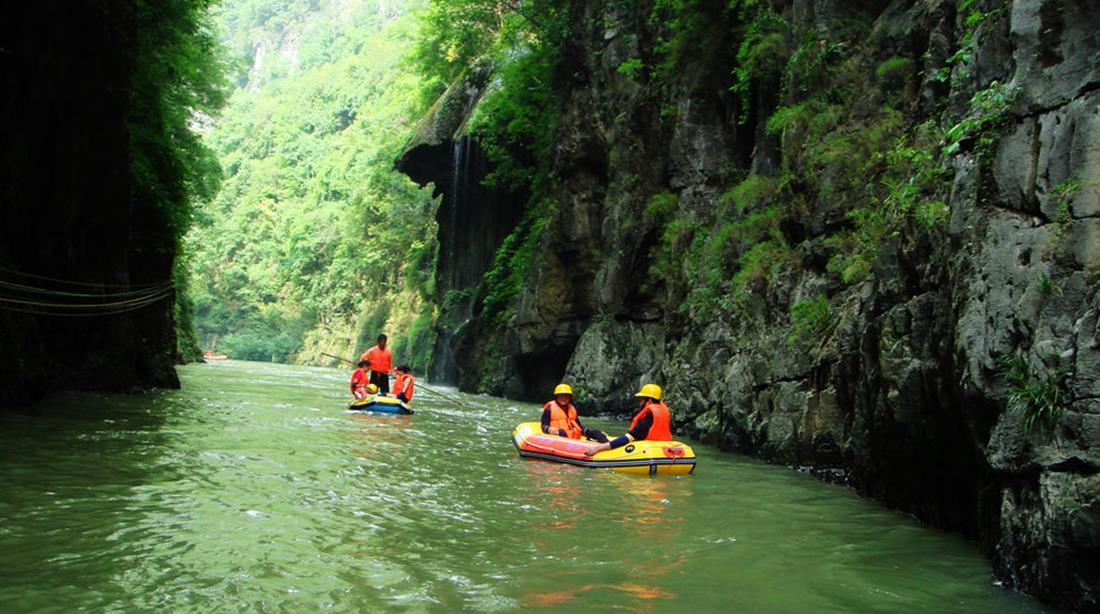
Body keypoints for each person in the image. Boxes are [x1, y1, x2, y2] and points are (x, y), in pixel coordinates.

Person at [584, 383, 671, 456]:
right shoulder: (660, 414)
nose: (639, 402)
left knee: (599, 437)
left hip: (648, 452)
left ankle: (592, 437)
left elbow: (626, 439)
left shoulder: (645, 422)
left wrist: (597, 448)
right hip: (661, 449)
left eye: (641, 400)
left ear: (649, 401)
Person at [541, 384, 608, 443]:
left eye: (566, 396)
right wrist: (548, 429)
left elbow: (578, 426)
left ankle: (607, 445)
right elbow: (543, 425)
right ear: (557, 397)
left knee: (596, 433)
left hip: (573, 435)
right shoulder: (549, 409)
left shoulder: (572, 408)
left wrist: (592, 432)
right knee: (561, 432)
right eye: (561, 396)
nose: (564, 398)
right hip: (559, 436)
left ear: (569, 397)